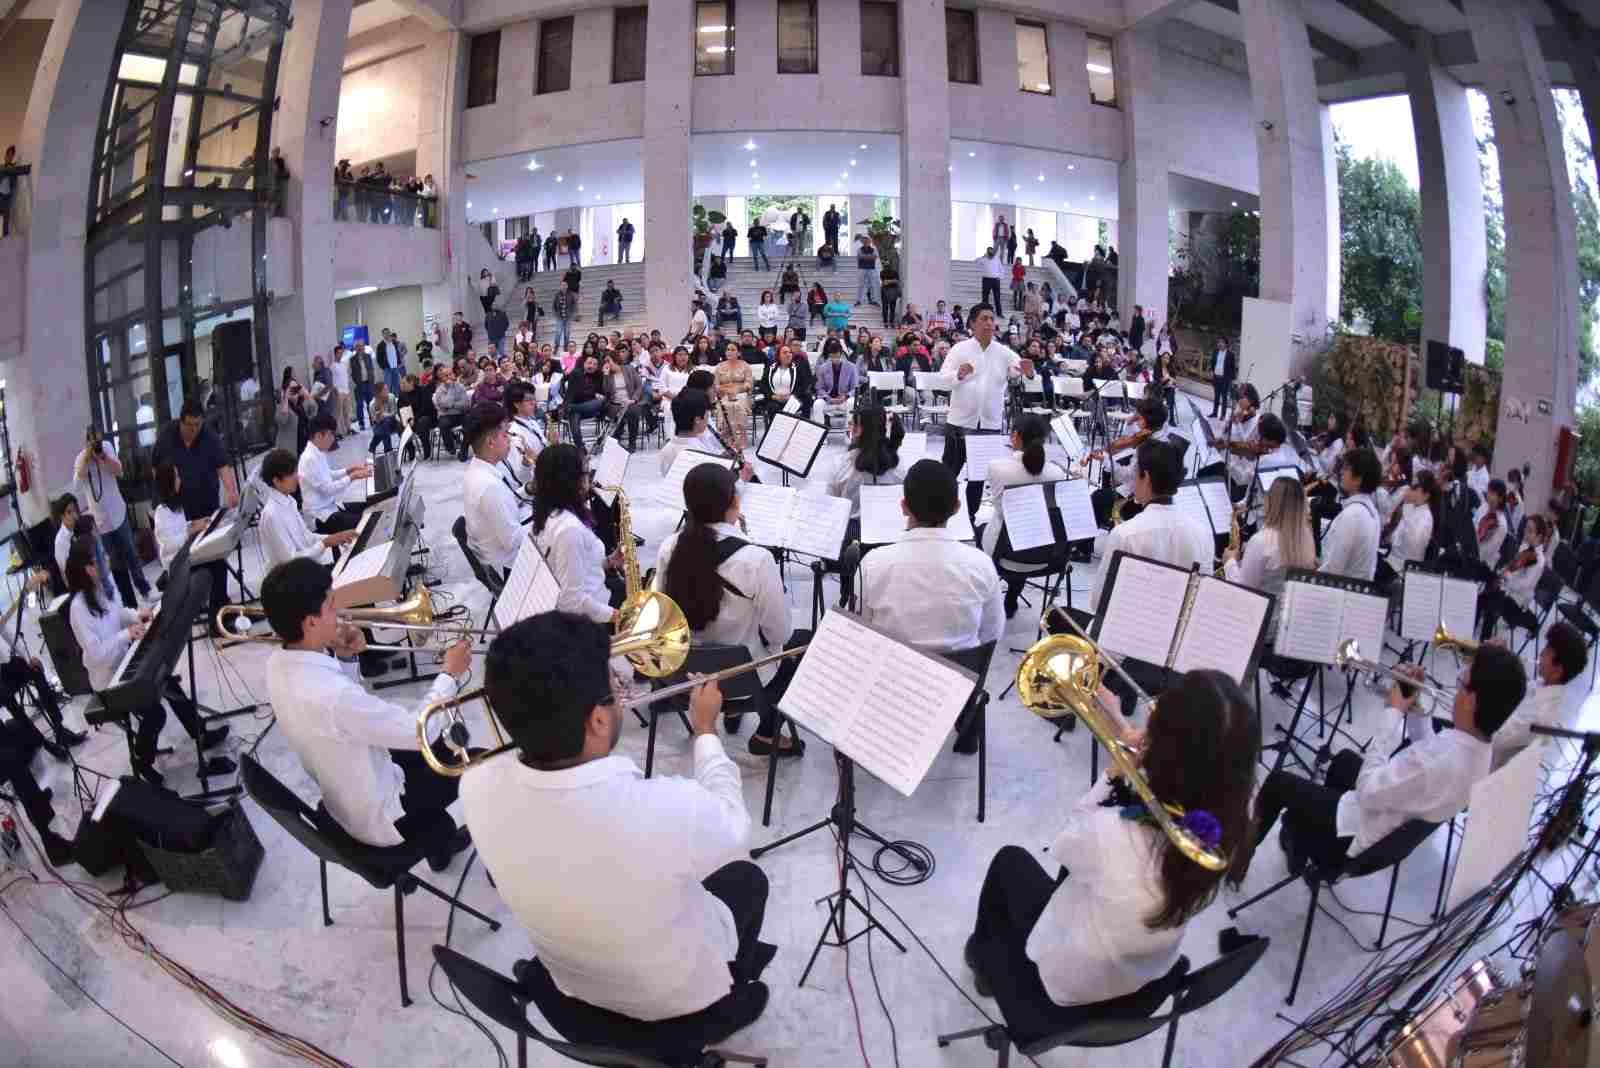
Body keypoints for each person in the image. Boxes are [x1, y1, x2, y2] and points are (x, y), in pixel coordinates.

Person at [459, 614, 773, 1061]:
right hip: (674, 1003)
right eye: (616, 688)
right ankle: (725, 1004)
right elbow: (734, 828)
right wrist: (705, 732)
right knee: (748, 879)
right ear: (598, 722)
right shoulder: (666, 809)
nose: (623, 695)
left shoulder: (474, 784)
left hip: (568, 990)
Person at [966, 670, 1258, 1040]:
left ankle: (983, 961)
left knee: (1009, 862)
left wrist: (1114, 773)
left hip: (1068, 985)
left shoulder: (1113, 836)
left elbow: (1066, 843)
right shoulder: (1232, 819)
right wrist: (1120, 723)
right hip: (1147, 971)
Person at [262, 557, 474, 870]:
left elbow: (341, 721)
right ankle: (440, 836)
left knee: (440, 748)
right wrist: (449, 675)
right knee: (477, 762)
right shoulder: (331, 695)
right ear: (309, 623)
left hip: (348, 793)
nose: (342, 613)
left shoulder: (277, 666)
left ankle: (438, 844)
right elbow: (417, 733)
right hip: (383, 817)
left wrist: (346, 660)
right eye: (332, 606)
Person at [1253, 645, 1526, 873]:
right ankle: (1300, 839)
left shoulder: (1435, 761)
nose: (1454, 690)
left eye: (1460, 684)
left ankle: (1245, 857)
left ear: (1471, 701)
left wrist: (1393, 712)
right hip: (1390, 822)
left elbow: (1368, 791)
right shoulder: (1480, 752)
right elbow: (1428, 751)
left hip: (1353, 839)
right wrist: (1416, 709)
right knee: (1345, 760)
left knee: (1279, 782)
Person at [655, 465, 807, 757]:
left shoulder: (668, 547)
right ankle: (766, 733)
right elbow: (780, 633)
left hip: (686, 678)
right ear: (734, 504)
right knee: (803, 642)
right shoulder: (756, 558)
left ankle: (731, 715)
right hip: (743, 679)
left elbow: (664, 615)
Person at [858, 460, 1003, 752]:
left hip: (894, 682)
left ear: (903, 506)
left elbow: (863, 628)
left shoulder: (873, 563)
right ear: (957, 507)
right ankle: (964, 716)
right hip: (958, 683)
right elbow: (992, 633)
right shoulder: (981, 564)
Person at [65, 538, 227, 787]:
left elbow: (118, 613)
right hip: (108, 680)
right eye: (101, 558)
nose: (108, 560)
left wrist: (136, 614)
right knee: (155, 712)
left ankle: (201, 734)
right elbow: (96, 654)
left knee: (168, 680)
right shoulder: (78, 608)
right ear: (89, 568)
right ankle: (142, 760)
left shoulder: (101, 588)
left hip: (123, 661)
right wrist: (126, 634)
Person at [940, 304, 1026, 518]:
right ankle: (940, 514)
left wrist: (1026, 371)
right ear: (972, 324)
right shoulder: (960, 349)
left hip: (989, 425)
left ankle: (970, 517)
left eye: (991, 319)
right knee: (949, 473)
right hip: (960, 423)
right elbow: (943, 378)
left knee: (978, 476)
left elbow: (1018, 370)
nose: (989, 323)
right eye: (984, 319)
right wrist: (958, 374)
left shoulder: (1003, 352)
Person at [981, 414, 1071, 617]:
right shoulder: (1055, 473)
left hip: (1003, 554)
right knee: (1024, 536)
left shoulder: (997, 468)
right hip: (1045, 555)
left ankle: (990, 597)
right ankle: (1011, 599)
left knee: (983, 528)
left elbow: (997, 505)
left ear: (1015, 436)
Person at [533, 445, 622, 621]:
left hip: (594, 595)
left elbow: (572, 569)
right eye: (585, 473)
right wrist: (617, 616)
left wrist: (609, 561)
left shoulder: (549, 511)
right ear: (570, 481)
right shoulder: (569, 530)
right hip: (590, 619)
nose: (589, 478)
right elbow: (571, 602)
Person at [1223, 477, 1316, 629]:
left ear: (1272, 502)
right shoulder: (1306, 537)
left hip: (1260, 626)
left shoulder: (1261, 541)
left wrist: (1229, 562)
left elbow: (1243, 590)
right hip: (1287, 626)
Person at [150, 463, 233, 632]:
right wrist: (190, 531)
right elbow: (169, 545)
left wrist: (193, 524)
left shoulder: (176, 507)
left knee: (218, 560)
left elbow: (178, 529)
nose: (180, 479)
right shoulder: (161, 512)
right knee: (216, 566)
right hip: (176, 566)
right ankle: (216, 622)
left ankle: (221, 611)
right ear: (169, 481)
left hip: (186, 558)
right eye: (177, 476)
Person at [1491, 623, 1585, 767]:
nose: (1541, 653)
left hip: (1488, 767)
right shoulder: (1541, 685)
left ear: (1557, 670)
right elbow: (1511, 695)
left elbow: (1495, 739)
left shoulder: (1540, 715)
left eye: (1547, 651)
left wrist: (1486, 666)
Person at [74, 430, 150, 608]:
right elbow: (77, 487)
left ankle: (144, 589)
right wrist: (87, 456)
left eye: (98, 441)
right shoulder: (80, 459)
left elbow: (119, 470)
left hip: (118, 514)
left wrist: (103, 457)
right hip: (101, 523)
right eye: (93, 443)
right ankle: (129, 602)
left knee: (131, 554)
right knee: (116, 564)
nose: (97, 445)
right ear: (86, 443)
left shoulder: (106, 448)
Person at [258, 449, 358, 568]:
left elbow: (306, 537)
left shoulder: (289, 500)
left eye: (295, 472)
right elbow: (291, 561)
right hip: (290, 578)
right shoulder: (271, 515)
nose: (297, 478)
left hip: (306, 567)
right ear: (276, 481)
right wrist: (325, 543)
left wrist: (335, 537)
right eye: (291, 474)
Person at [461, 403, 525, 576]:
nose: (509, 439)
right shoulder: (489, 486)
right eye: (505, 435)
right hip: (509, 565)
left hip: (495, 552)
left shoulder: (476, 468)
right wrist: (547, 523)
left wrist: (528, 490)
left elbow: (502, 505)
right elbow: (513, 540)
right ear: (490, 442)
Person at [1478, 514, 1549, 642]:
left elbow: (1524, 585)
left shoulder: (1539, 561)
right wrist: (1503, 571)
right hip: (1508, 589)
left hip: (1518, 600)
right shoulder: (1524, 547)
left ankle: (1484, 645)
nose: (1525, 533)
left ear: (1539, 537)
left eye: (1530, 531)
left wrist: (1507, 578)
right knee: (1482, 598)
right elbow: (1513, 565)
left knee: (1492, 604)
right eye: (1526, 528)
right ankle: (1471, 636)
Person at [297, 415, 370, 536]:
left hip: (330, 506)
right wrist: (352, 477)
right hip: (320, 516)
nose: (333, 439)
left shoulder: (317, 451)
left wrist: (350, 469)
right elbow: (328, 489)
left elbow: (329, 474)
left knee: (368, 507)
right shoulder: (309, 459)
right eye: (330, 435)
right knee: (365, 521)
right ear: (319, 435)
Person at [1320, 447, 1382, 580]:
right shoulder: (1371, 511)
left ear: (1358, 479)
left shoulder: (1352, 515)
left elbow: (1332, 570)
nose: (1341, 472)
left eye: (1346, 468)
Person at [713, 341, 754, 453]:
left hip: (741, 393)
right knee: (725, 404)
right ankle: (726, 436)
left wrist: (736, 390)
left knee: (738, 404)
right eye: (728, 349)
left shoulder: (745, 365)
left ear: (738, 352)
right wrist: (726, 391)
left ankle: (740, 437)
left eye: (732, 350)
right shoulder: (719, 366)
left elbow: (749, 383)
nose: (729, 352)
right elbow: (715, 385)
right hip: (724, 394)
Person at [601, 352, 646, 452]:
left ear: (615, 360)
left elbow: (639, 386)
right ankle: (616, 442)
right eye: (605, 362)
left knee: (633, 412)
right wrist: (606, 376)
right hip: (615, 403)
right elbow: (607, 392)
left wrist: (633, 399)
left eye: (608, 361)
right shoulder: (608, 375)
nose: (606, 364)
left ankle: (632, 442)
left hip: (631, 401)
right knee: (615, 412)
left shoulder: (628, 369)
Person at [760, 342, 814, 421]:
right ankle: (775, 431)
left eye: (790, 352)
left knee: (799, 403)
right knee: (773, 407)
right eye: (785, 353)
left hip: (793, 398)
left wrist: (791, 396)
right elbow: (763, 385)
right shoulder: (771, 368)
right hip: (774, 399)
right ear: (778, 355)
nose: (788, 355)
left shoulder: (798, 368)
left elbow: (804, 385)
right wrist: (772, 396)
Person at [432, 365, 471, 461]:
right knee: (443, 424)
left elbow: (465, 404)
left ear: (454, 374)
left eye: (450, 374)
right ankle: (450, 447)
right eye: (446, 375)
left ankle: (464, 449)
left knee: (470, 422)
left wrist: (451, 406)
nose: (449, 377)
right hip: (446, 416)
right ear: (442, 378)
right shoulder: (439, 390)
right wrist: (450, 389)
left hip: (461, 414)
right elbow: (446, 404)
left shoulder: (461, 387)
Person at [814, 338, 858, 417]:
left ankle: (849, 428)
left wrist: (846, 396)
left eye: (837, 357)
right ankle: (821, 428)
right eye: (832, 357)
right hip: (829, 398)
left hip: (845, 398)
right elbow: (819, 388)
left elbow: (855, 388)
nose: (835, 359)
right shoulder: (823, 368)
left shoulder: (852, 367)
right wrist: (828, 398)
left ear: (841, 354)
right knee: (817, 404)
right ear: (829, 356)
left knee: (852, 402)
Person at [1208, 337, 1236, 419]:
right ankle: (1214, 413)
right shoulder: (1215, 352)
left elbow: (1232, 367)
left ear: (1226, 344)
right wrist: (1211, 370)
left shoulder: (1230, 354)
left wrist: (1231, 379)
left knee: (1224, 397)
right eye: (1219, 342)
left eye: (1222, 342)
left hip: (1225, 379)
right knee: (1216, 396)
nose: (1219, 344)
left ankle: (1223, 415)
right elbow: (1212, 362)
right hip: (1216, 378)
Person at [855, 235, 880, 306]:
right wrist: (870, 257)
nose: (866, 242)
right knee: (860, 285)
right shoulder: (859, 249)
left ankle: (873, 300)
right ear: (862, 242)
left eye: (868, 241)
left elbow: (874, 257)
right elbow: (860, 257)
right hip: (862, 268)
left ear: (870, 242)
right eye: (865, 241)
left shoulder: (873, 249)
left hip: (871, 268)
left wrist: (865, 257)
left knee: (872, 285)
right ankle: (858, 300)